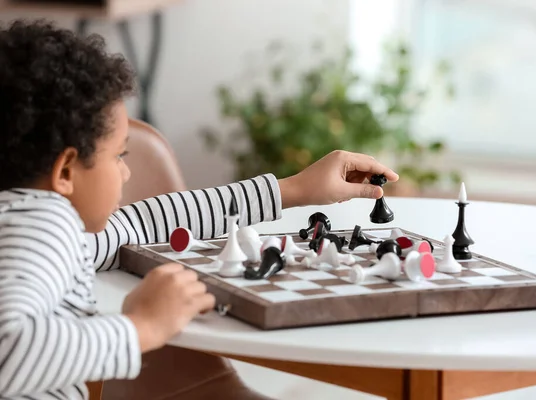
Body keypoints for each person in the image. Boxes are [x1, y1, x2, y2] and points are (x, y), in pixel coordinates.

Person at [0, 19, 399, 399]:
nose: (125, 173)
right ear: (66, 170)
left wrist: (290, 189)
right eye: (118, 156)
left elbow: (145, 222)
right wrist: (140, 328)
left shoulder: (33, 219)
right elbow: (6, 350)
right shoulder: (41, 226)